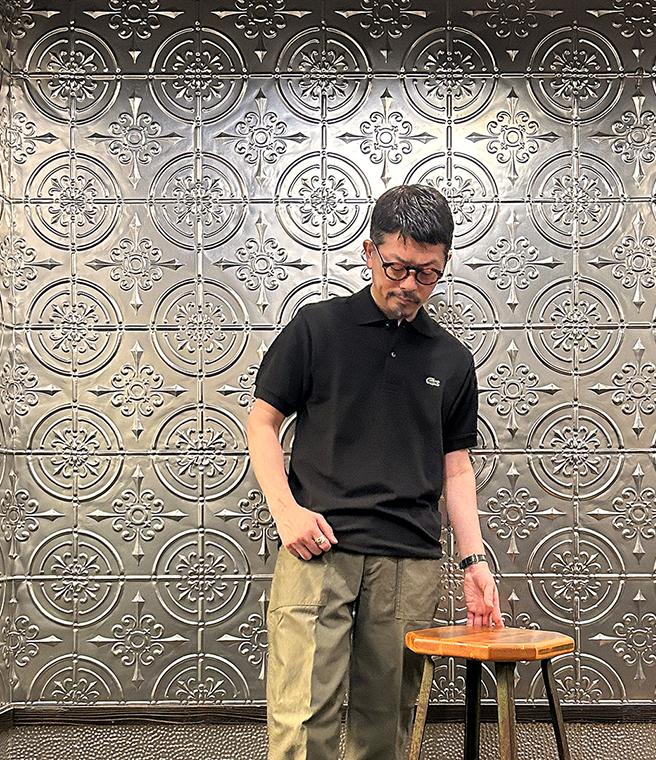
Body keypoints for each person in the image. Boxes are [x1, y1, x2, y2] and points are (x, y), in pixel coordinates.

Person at [246, 184, 503, 760]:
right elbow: (262, 423)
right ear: (369, 252)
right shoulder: (317, 328)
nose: (410, 285)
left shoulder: (452, 359)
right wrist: (286, 513)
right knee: (301, 722)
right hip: (318, 551)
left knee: (386, 728)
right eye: (397, 267)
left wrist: (474, 561)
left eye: (427, 274)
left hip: (409, 562)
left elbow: (456, 469)